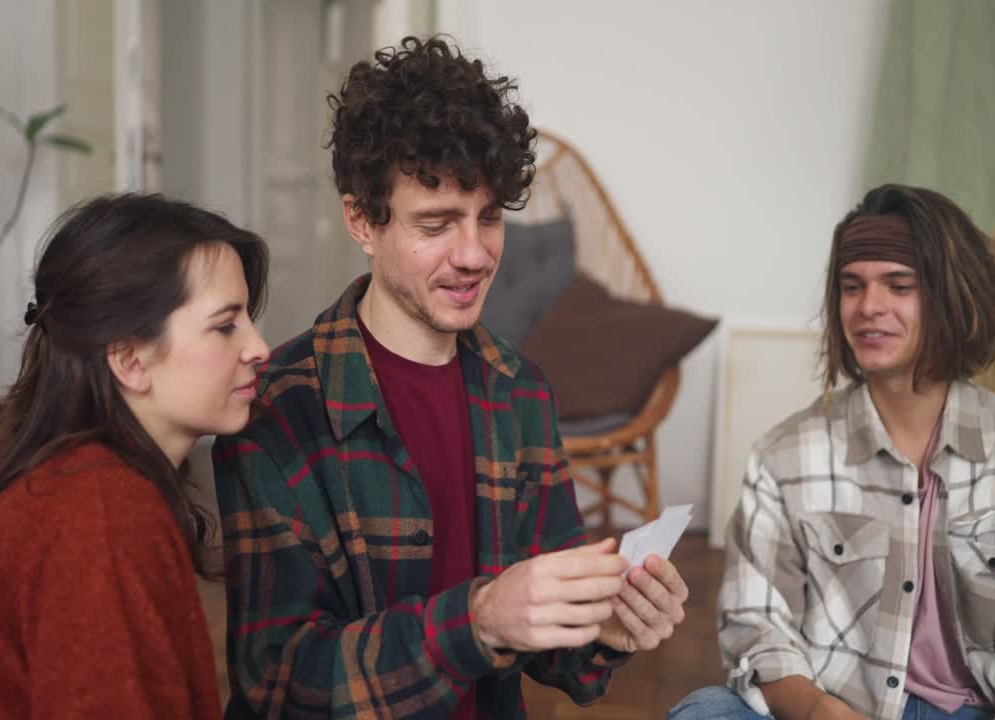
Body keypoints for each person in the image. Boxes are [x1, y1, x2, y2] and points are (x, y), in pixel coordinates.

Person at [213, 36, 690, 719]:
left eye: (489, 217)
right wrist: (479, 621)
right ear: (361, 221)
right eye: (436, 223)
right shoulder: (278, 410)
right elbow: (280, 684)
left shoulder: (520, 389)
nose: (474, 254)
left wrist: (602, 629)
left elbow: (549, 649)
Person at [670, 184, 995, 720]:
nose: (869, 307)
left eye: (899, 285)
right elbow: (756, 626)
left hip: (978, 712)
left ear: (950, 295)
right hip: (835, 706)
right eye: (852, 286)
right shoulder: (783, 458)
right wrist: (817, 711)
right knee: (707, 711)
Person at [0, 194, 271, 719]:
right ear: (129, 360)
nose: (259, 347)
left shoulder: (97, 483)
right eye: (225, 325)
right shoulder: (99, 512)